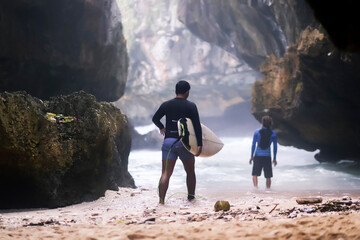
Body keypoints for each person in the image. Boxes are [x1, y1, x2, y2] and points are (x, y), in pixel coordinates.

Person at [152, 80, 202, 204]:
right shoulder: (191, 106)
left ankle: (161, 201)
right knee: (190, 171)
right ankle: (191, 198)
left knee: (165, 174)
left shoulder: (166, 104)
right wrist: (200, 144)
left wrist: (161, 127)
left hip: (168, 142)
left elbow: (155, 118)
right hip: (184, 143)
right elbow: (197, 127)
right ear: (187, 92)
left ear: (175, 91)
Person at [249, 115, 277, 189]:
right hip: (267, 156)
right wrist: (274, 158)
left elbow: (253, 145)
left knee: (255, 174)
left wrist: (251, 156)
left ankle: (256, 189)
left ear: (262, 122)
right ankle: (268, 190)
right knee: (268, 176)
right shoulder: (273, 133)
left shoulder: (256, 132)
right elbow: (275, 147)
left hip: (258, 155)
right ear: (271, 123)